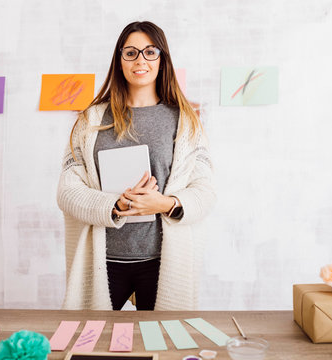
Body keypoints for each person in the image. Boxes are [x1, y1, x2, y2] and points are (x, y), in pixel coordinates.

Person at [57, 21, 216, 311]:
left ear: (162, 59)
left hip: (162, 260)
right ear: (119, 61)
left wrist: (166, 204)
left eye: (150, 51)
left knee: (164, 345)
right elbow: (67, 191)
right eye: (130, 52)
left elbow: (205, 191)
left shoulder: (187, 121)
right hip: (103, 260)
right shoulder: (89, 120)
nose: (140, 59)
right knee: (90, 346)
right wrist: (116, 205)